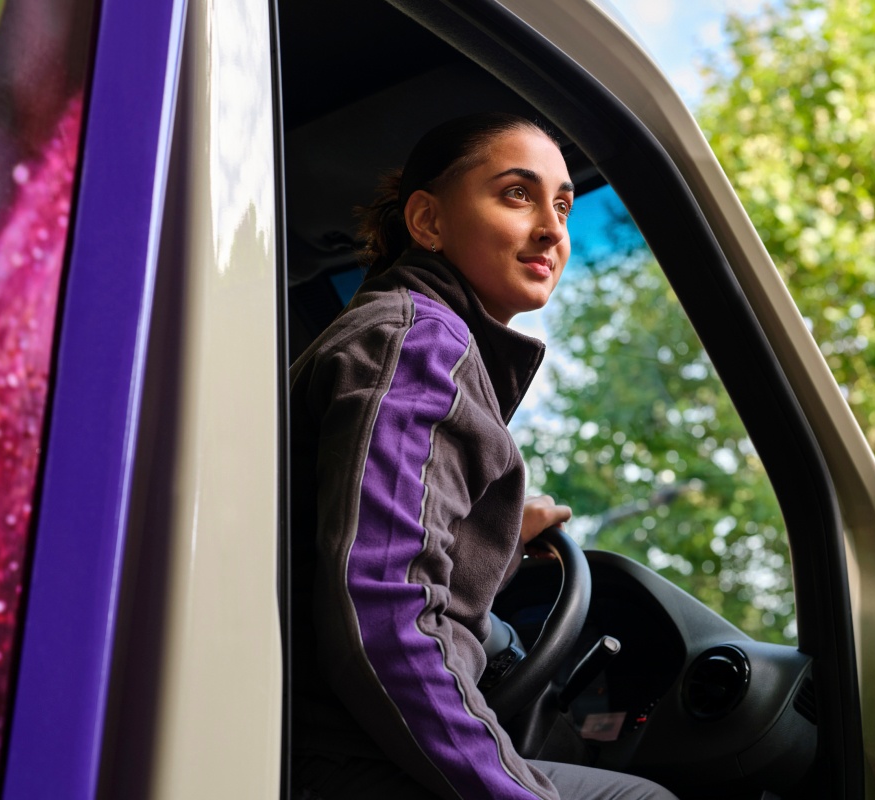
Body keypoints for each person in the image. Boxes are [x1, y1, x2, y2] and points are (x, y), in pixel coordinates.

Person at [288, 113, 678, 800]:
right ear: (429, 221)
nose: (554, 229)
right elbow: (383, 619)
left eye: (562, 203)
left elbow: (364, 556)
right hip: (356, 761)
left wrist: (488, 544)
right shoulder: (421, 347)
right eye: (517, 194)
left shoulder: (400, 334)